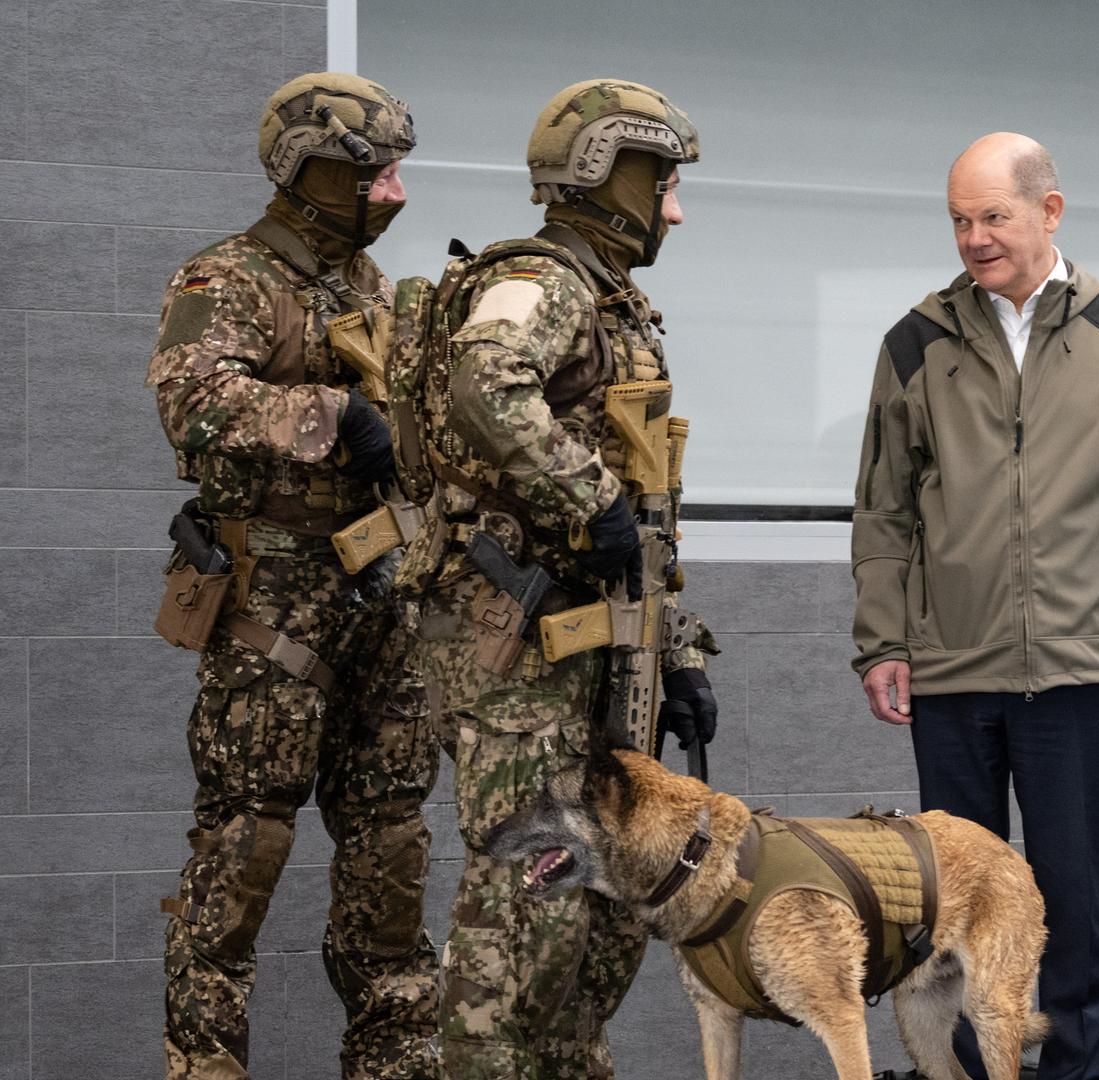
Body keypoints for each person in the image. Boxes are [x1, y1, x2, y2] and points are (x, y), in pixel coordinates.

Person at [851, 132, 1099, 1080]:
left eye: (994, 217)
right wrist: (882, 641)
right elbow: (883, 509)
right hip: (951, 671)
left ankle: (1076, 1074)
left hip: (1080, 668)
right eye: (960, 220)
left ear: (1051, 211)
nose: (974, 239)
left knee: (1073, 902)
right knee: (955, 914)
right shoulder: (916, 341)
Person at [407, 78, 719, 1079]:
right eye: (663, 183)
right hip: (522, 662)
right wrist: (589, 506)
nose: (674, 210)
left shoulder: (612, 303)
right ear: (609, 172)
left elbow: (647, 508)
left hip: (600, 662)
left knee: (603, 923)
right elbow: (484, 379)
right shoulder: (542, 284)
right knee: (524, 916)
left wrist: (683, 654)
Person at [148, 72, 440, 1078]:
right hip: (274, 613)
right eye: (378, 173)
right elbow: (189, 397)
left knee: (391, 857)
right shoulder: (228, 278)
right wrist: (330, 415)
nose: (397, 193)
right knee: (241, 855)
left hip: (380, 603)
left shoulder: (371, 291)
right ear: (316, 170)